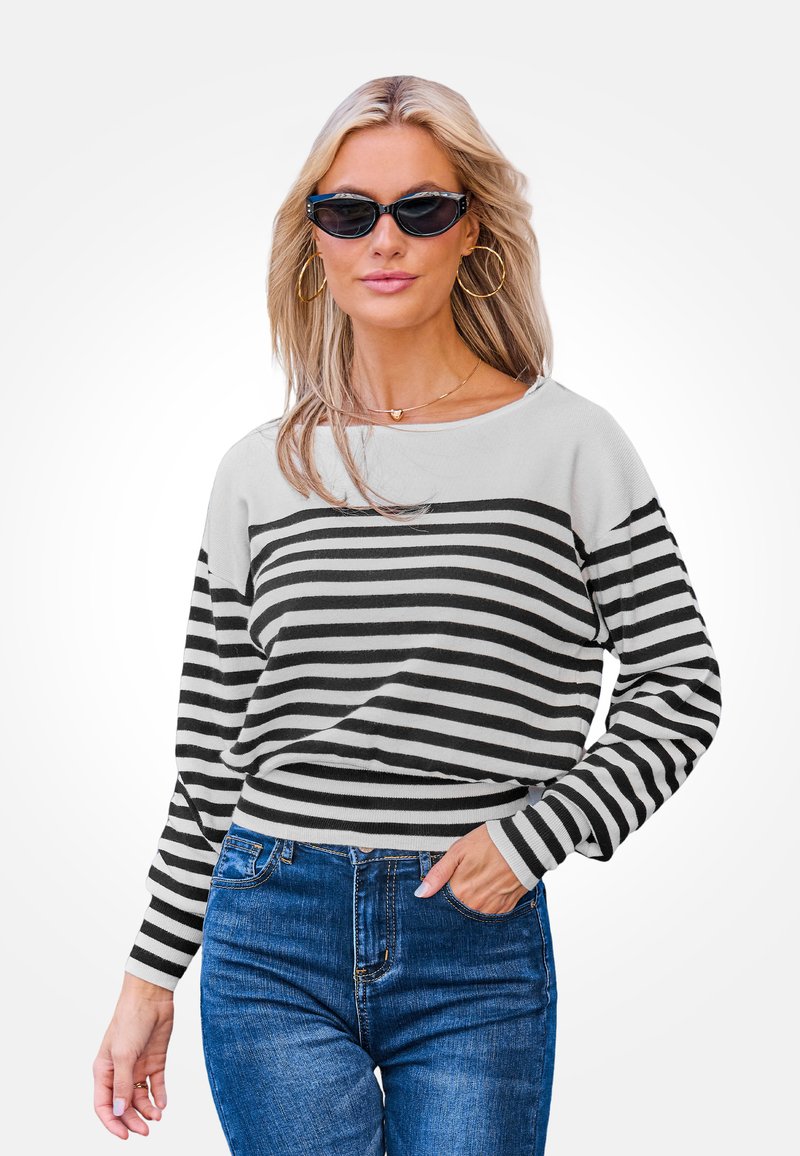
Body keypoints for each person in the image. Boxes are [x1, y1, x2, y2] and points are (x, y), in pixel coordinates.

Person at [93, 75, 722, 1155]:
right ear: (314, 239)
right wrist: (150, 976)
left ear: (472, 229)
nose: (383, 239)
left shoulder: (569, 445)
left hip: (473, 942)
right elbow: (208, 757)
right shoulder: (259, 470)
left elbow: (680, 689)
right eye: (348, 211)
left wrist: (533, 836)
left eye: (421, 209)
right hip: (269, 927)